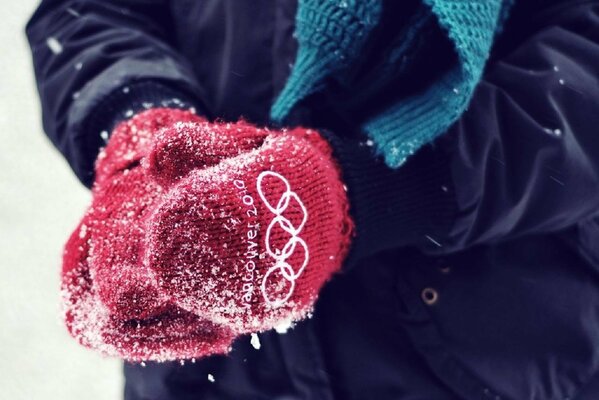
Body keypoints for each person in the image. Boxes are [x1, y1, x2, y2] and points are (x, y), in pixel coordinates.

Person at [26, 0, 599, 399]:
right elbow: (89, 11)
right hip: (206, 377)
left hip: (491, 357)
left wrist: (370, 189)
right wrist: (138, 135)